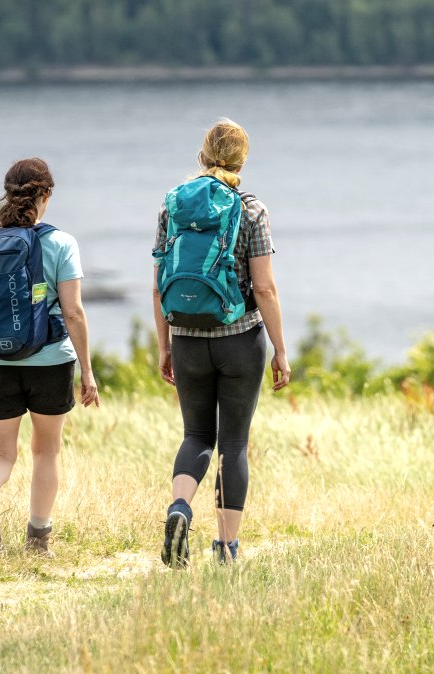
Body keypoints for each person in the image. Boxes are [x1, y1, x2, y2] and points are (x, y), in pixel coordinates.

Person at [153, 119, 290, 567]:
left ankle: (179, 508)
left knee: (195, 436)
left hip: (188, 338)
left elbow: (158, 285)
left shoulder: (172, 206)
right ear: (242, 160)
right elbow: (265, 289)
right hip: (239, 339)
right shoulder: (252, 211)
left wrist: (165, 345)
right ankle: (226, 547)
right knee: (233, 444)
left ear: (202, 155)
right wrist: (281, 350)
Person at [0, 157, 99, 557]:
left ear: (7, 192)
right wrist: (87, 372)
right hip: (50, 362)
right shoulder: (61, 243)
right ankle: (37, 539)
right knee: (46, 450)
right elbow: (72, 312)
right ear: (46, 195)